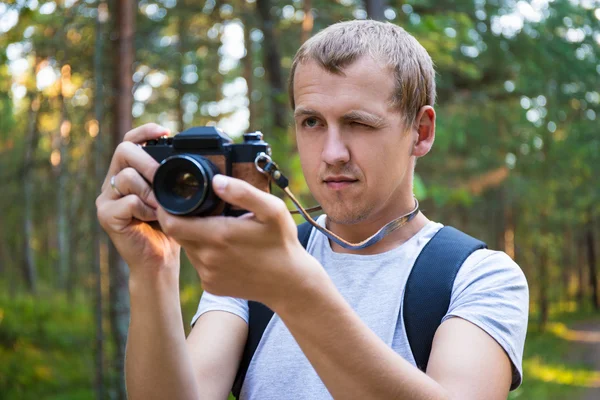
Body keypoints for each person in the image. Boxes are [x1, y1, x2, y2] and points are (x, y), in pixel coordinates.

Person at [96, 20, 528, 400]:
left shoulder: (480, 276)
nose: (332, 153)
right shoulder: (254, 260)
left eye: (358, 123)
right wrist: (153, 268)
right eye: (312, 123)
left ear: (421, 131)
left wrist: (290, 290)